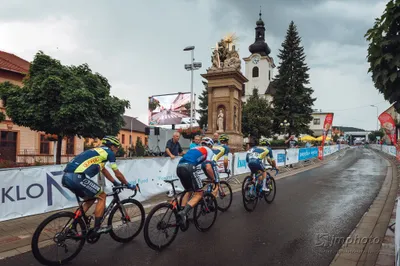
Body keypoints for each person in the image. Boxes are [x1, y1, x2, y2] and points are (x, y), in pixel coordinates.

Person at [62, 136, 137, 234]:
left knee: (91, 199)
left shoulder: (99, 152)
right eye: (117, 147)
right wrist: (128, 184)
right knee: (102, 196)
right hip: (76, 177)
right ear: (112, 146)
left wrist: (115, 182)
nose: (117, 150)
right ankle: (97, 228)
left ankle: (73, 226)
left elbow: (104, 170)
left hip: (66, 177)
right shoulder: (109, 153)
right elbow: (117, 172)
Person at [176, 137, 216, 227]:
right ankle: (184, 213)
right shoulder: (209, 150)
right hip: (189, 167)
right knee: (199, 193)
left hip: (179, 167)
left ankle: (182, 213)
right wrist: (213, 179)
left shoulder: (194, 148)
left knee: (189, 191)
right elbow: (208, 167)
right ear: (210, 145)